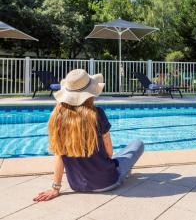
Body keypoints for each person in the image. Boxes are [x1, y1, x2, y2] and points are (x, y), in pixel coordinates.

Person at [33, 69, 144, 202]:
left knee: (117, 157)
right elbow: (109, 151)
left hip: (77, 186)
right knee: (137, 144)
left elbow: (59, 155)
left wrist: (55, 188)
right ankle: (124, 173)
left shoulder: (58, 118)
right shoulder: (97, 114)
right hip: (108, 182)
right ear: (89, 93)